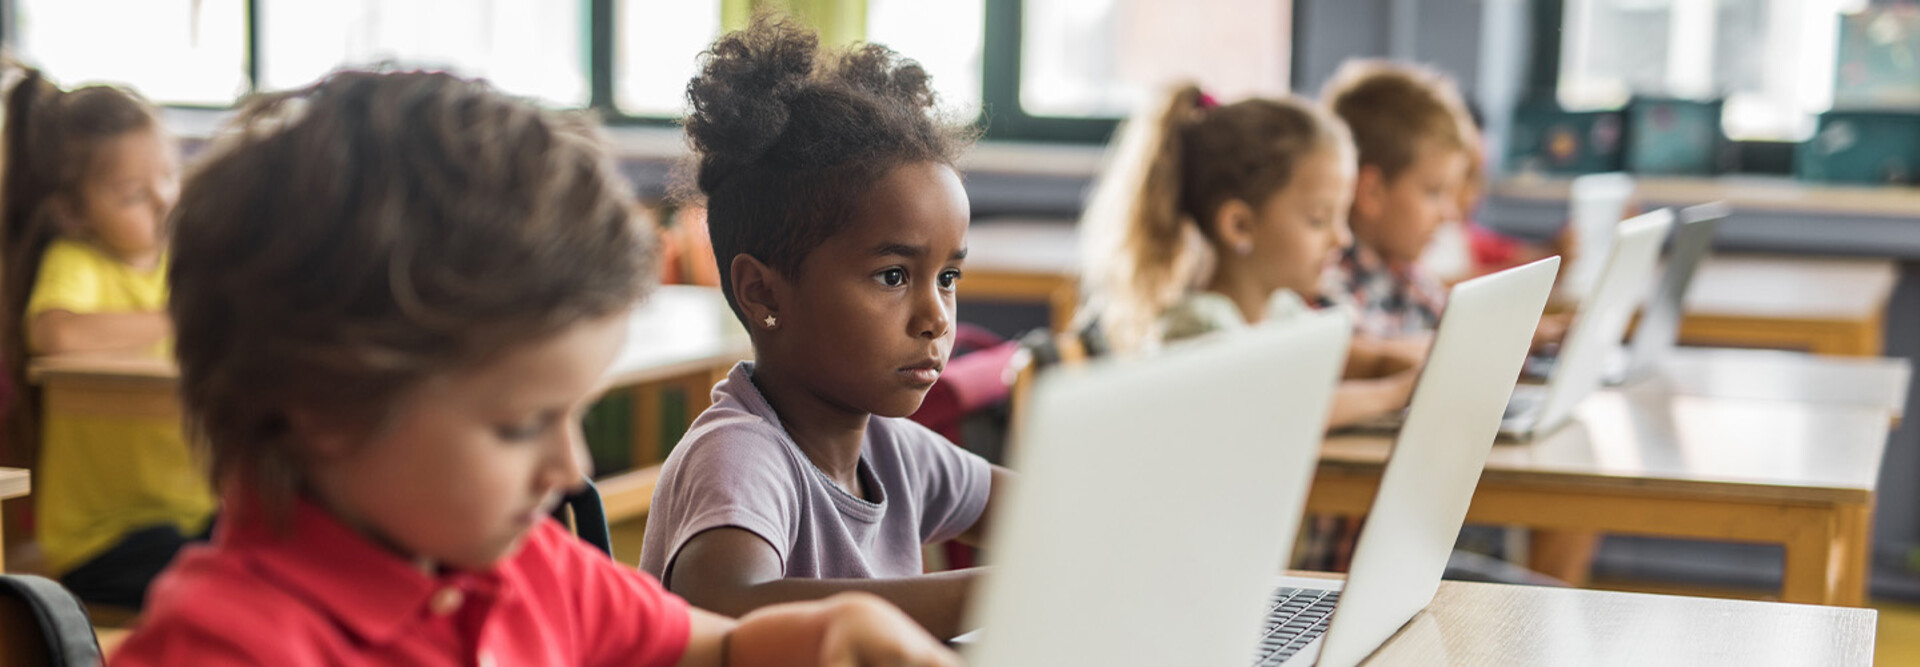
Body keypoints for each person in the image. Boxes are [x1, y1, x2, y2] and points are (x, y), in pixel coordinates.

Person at [111, 69, 958, 667]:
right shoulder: (227, 647)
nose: (570, 466)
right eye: (521, 423)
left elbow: (724, 646)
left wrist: (831, 630)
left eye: (571, 413)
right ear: (324, 405)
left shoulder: (530, 570)